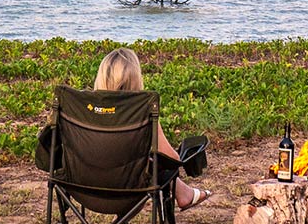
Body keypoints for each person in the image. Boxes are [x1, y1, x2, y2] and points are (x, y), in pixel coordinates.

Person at [92, 48, 215, 212]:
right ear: (136, 80)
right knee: (154, 167)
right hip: (127, 189)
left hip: (83, 186)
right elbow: (171, 158)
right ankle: (184, 194)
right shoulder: (141, 111)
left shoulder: (84, 110)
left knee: (144, 165)